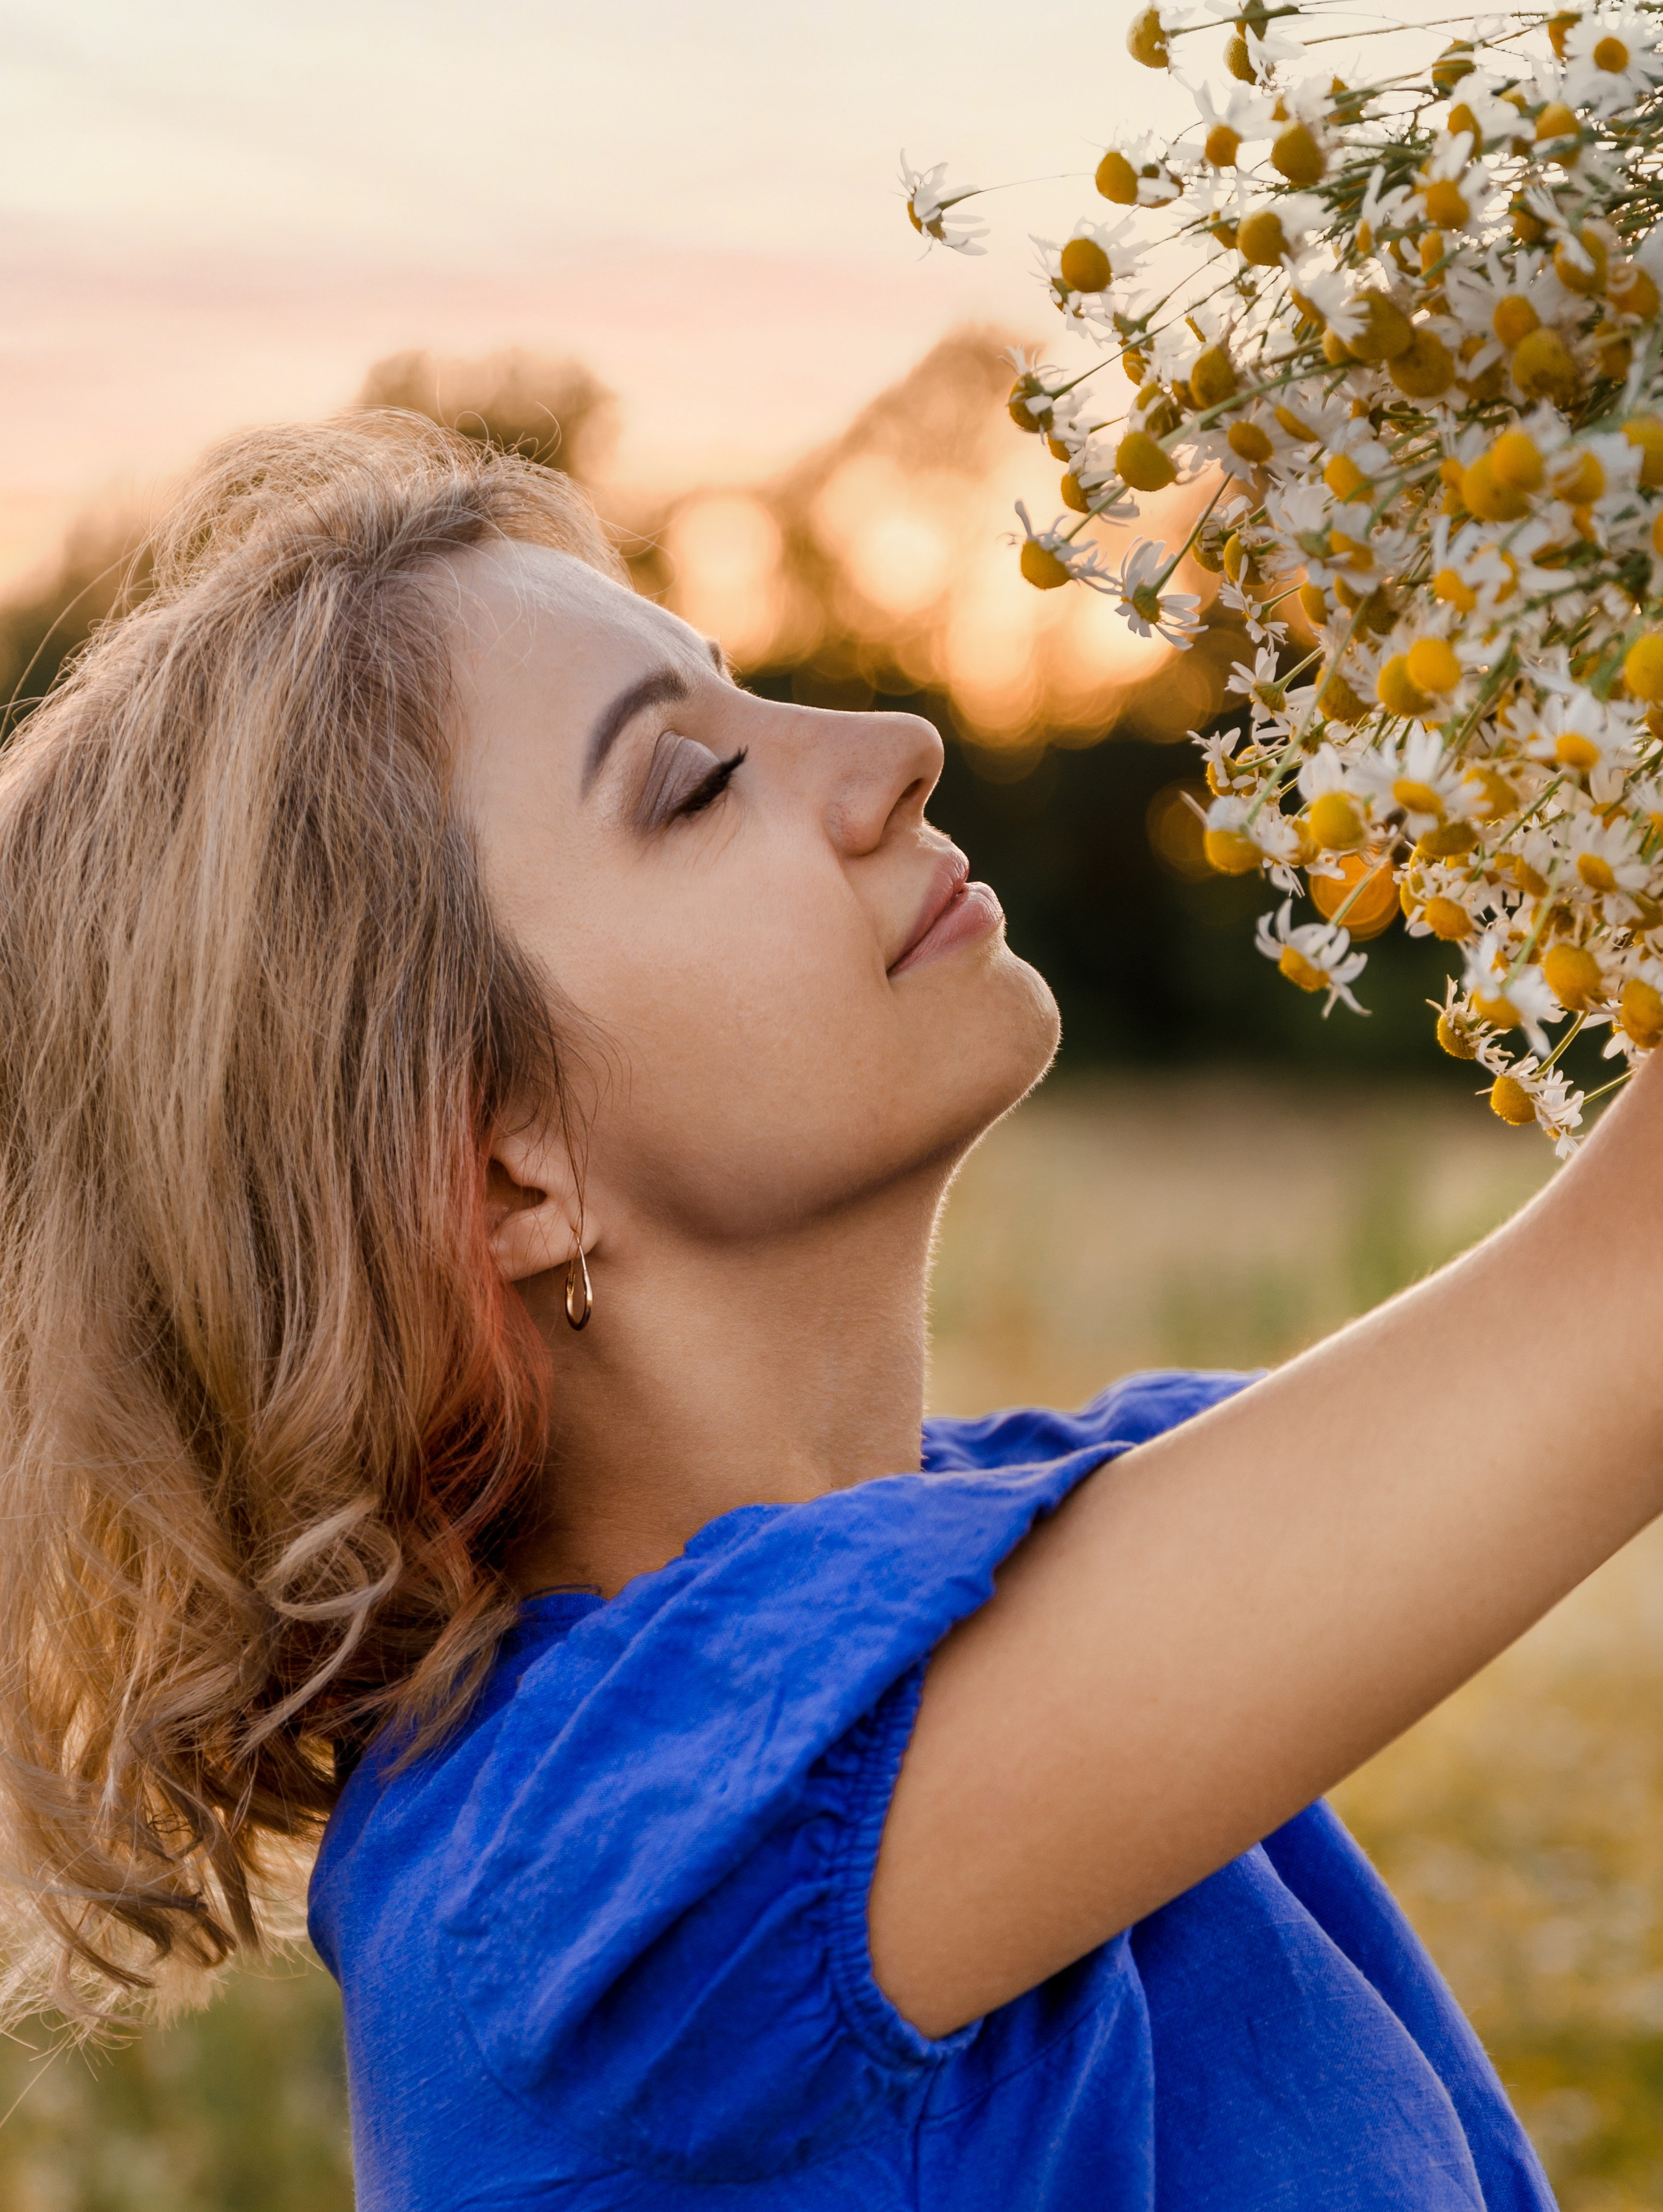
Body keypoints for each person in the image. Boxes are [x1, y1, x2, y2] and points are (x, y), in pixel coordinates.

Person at [0, 412, 1658, 2212]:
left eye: (752, 695)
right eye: (694, 785)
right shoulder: (607, 1873)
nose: (896, 749)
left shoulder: (1080, 1520)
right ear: (497, 1170)